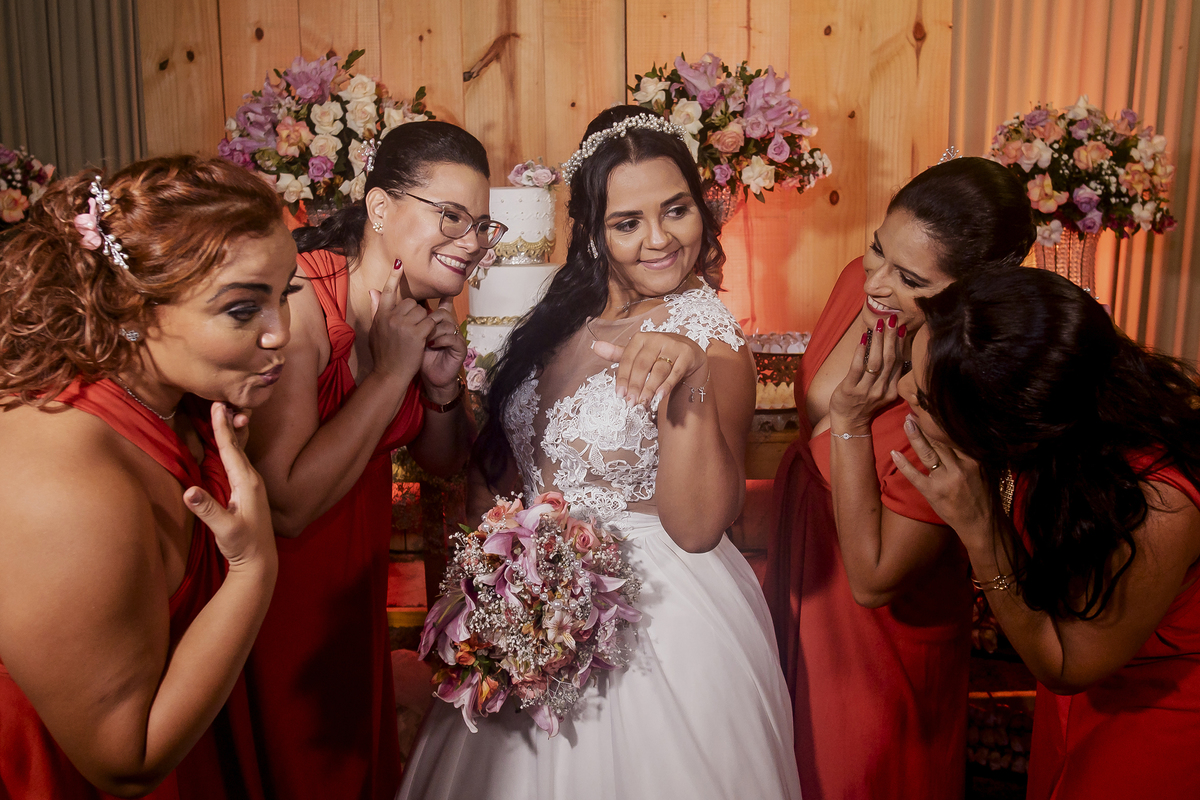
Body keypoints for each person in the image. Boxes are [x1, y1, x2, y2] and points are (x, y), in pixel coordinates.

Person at [397, 106, 801, 800]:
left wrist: (692, 385)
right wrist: (498, 585)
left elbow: (702, 527)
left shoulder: (706, 331)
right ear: (592, 230)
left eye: (676, 211)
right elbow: (496, 481)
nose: (659, 240)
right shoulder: (556, 323)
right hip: (529, 616)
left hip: (660, 621)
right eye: (627, 222)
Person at [0, 156, 295, 798]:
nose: (282, 335)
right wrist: (253, 570)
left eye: (285, 294)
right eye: (244, 310)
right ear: (132, 307)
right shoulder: (66, 484)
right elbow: (124, 761)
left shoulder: (173, 401)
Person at [763, 156, 1036, 799]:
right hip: (803, 573)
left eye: (909, 276)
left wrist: (854, 423)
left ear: (972, 289)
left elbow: (879, 581)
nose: (876, 283)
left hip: (878, 640)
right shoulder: (855, 283)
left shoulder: (960, 386)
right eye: (878, 249)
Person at [243, 121, 491, 800]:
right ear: (380, 208)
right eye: (451, 216)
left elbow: (440, 462)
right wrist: (389, 377)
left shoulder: (416, 308)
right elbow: (286, 503)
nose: (470, 243)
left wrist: (441, 390)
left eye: (482, 225)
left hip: (356, 584)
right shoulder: (302, 307)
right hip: (275, 593)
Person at [893, 268, 1200, 800]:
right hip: (1068, 689)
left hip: (1157, 710)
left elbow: (1069, 664)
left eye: (921, 396)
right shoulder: (1048, 437)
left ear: (1000, 426)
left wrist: (979, 528)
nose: (900, 393)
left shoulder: (1157, 505)